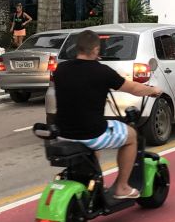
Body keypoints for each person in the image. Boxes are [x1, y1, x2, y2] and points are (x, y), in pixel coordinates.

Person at [53, 30, 162, 199]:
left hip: (63, 134)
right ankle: (122, 187)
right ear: (96, 50)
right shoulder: (102, 71)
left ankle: (92, 184)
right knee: (132, 136)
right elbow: (133, 88)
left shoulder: (61, 69)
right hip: (92, 133)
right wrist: (153, 90)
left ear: (77, 49)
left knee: (94, 147)